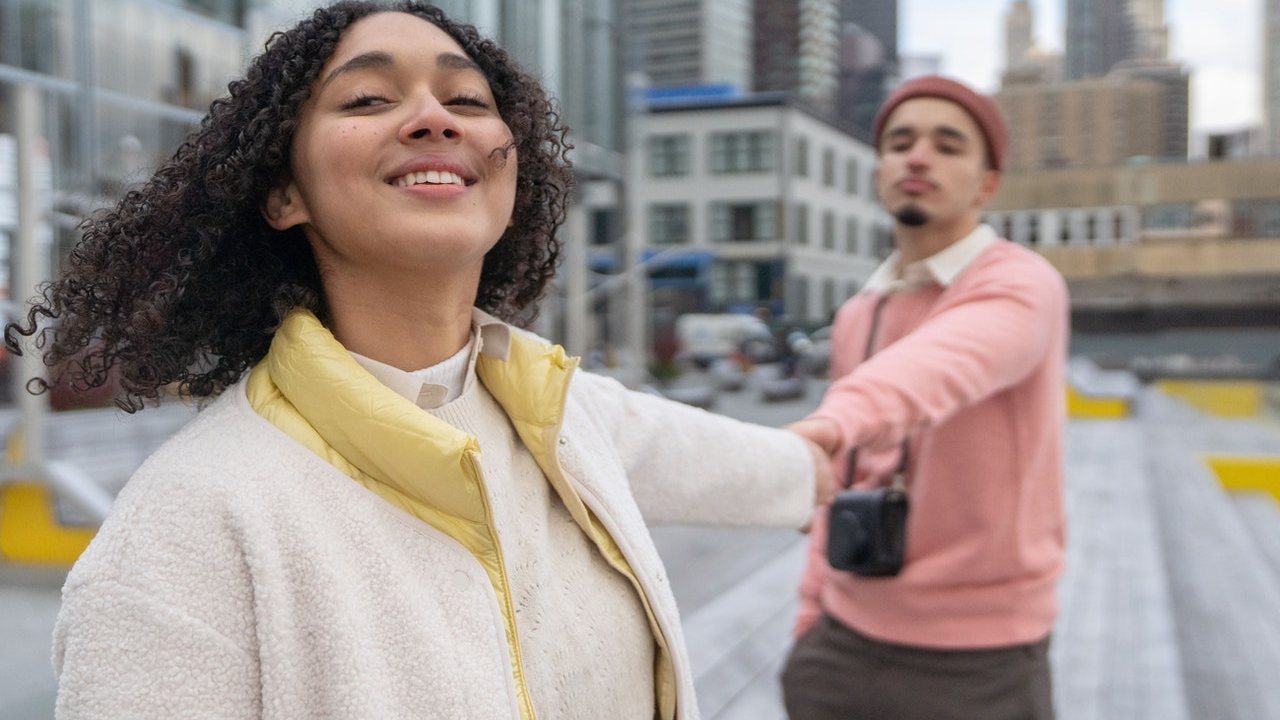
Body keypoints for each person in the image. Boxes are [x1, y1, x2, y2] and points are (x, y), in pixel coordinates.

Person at [4, 3, 834, 718]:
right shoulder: (185, 532)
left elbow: (794, 467)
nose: (435, 117)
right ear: (281, 194)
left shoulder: (560, 413)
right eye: (367, 97)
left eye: (467, 97)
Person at [780, 76, 1069, 719]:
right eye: (901, 141)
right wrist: (810, 618)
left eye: (948, 144)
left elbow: (940, 365)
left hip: (981, 658)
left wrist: (826, 427)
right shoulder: (861, 310)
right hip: (843, 642)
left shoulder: (1022, 283)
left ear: (986, 183)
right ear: (879, 170)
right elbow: (843, 479)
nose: (918, 156)